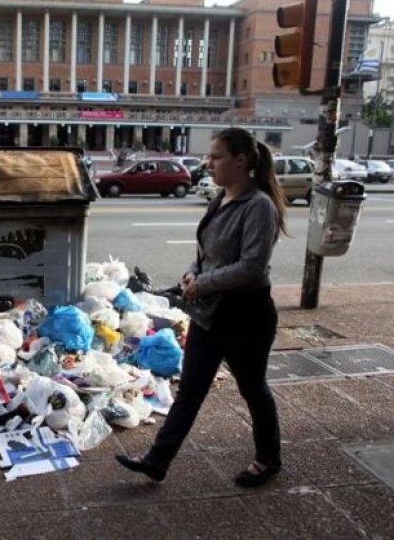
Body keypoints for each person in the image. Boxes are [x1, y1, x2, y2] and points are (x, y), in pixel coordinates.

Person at [116, 127, 288, 488]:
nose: (208, 163)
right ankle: (157, 460)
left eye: (216, 157)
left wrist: (203, 282)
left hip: (246, 315)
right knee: (191, 389)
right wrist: (193, 273)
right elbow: (205, 254)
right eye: (210, 156)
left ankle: (269, 459)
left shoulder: (259, 206)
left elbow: (252, 266)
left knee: (253, 388)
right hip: (209, 313)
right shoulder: (220, 199)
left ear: (240, 161)